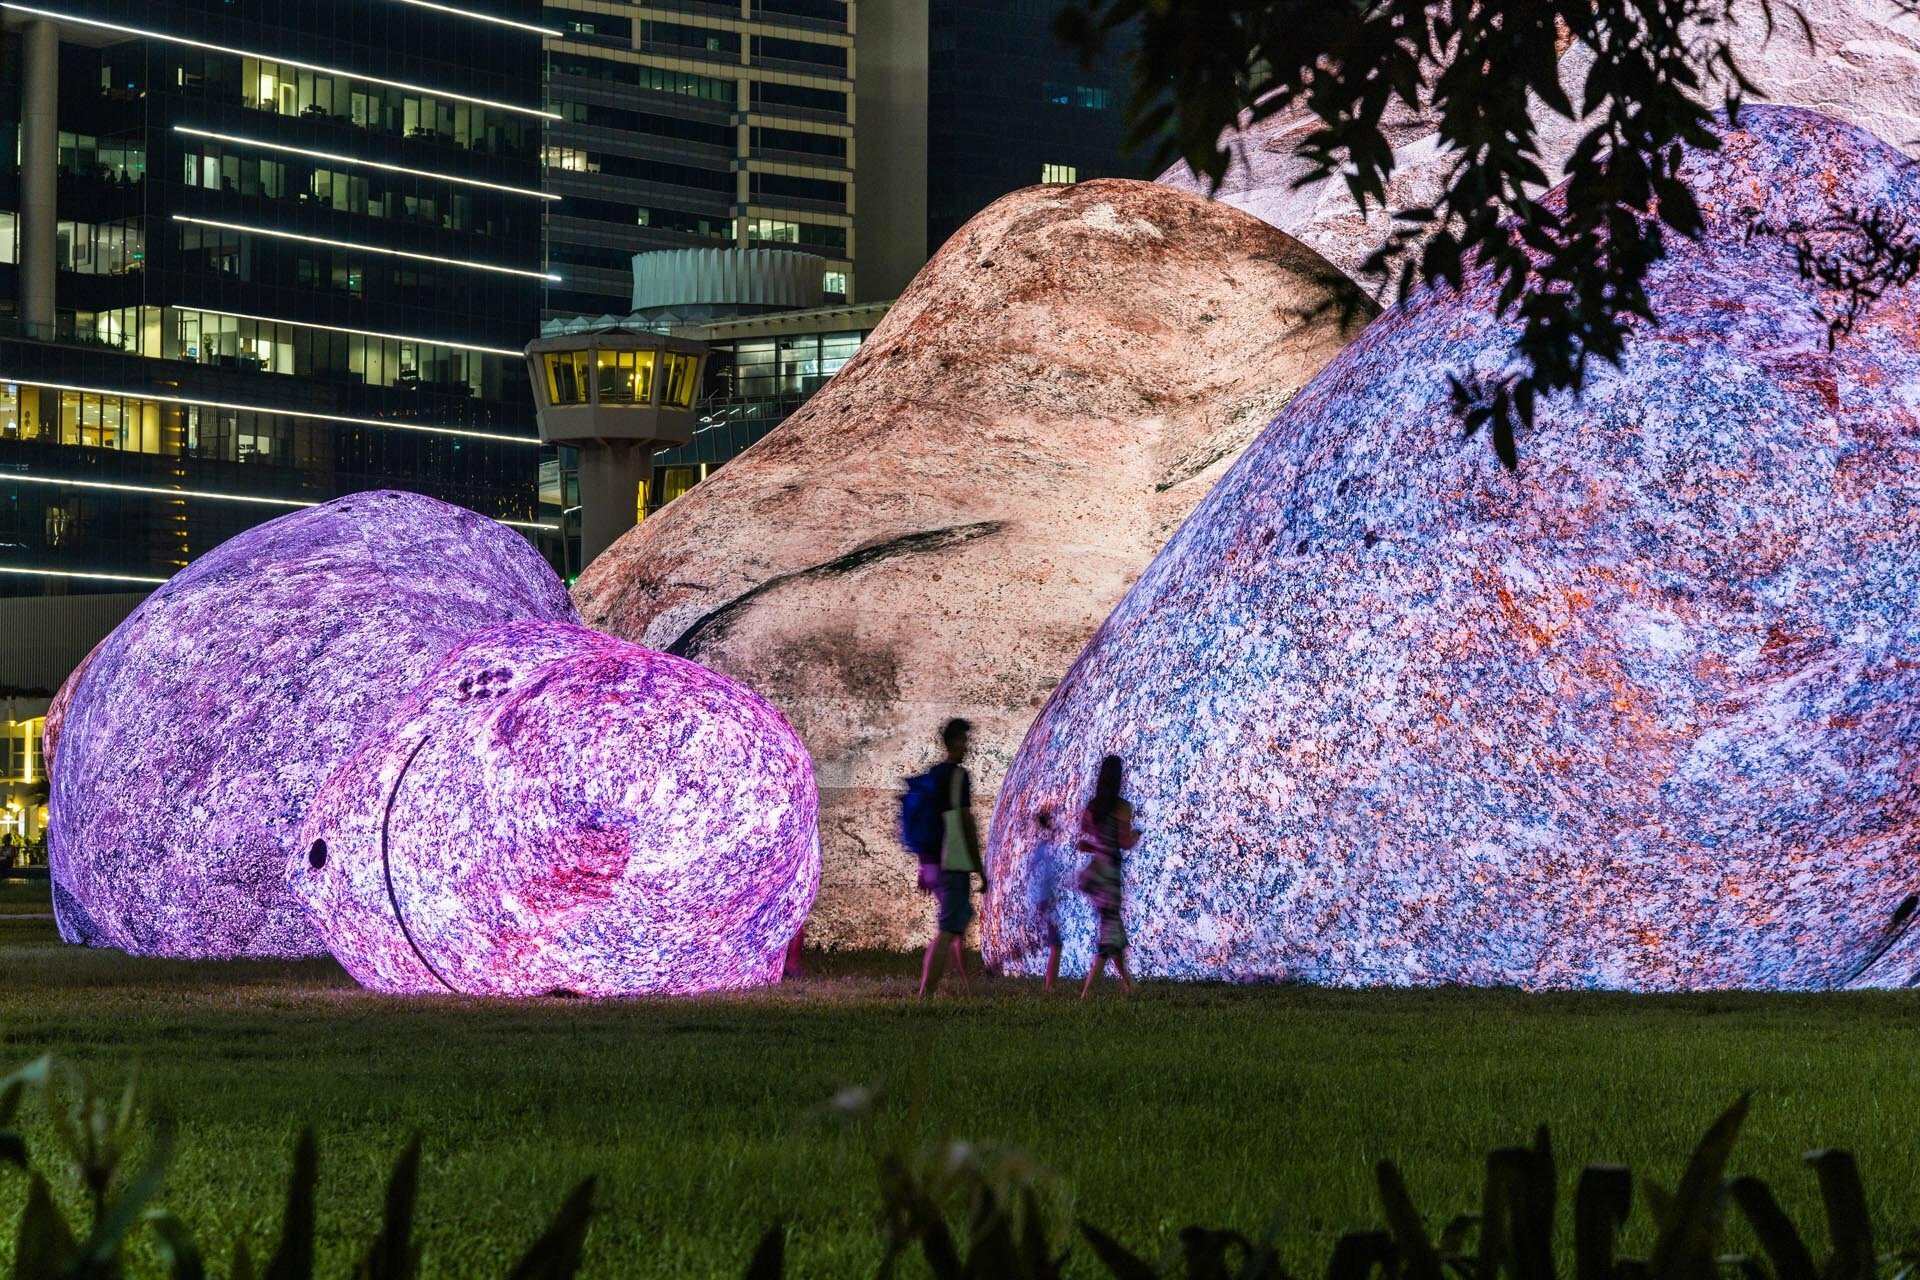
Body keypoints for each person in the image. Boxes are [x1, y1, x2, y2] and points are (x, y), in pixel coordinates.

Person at [918, 717, 987, 998]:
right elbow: (965, 824)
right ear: (954, 742)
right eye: (964, 740)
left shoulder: (933, 775)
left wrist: (923, 866)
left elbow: (925, 823)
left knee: (958, 923)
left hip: (934, 863)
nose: (967, 746)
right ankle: (926, 994)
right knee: (948, 931)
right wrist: (980, 869)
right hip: (953, 862)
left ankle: (968, 986)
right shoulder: (959, 776)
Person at [1078, 754, 1139, 998]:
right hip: (1111, 877)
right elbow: (1123, 843)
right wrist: (1134, 836)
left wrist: (1093, 846)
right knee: (1109, 935)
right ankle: (1087, 993)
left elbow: (1087, 836)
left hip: (1096, 876)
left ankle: (1127, 982)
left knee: (1114, 931)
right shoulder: (1123, 807)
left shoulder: (1093, 807)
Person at [1031, 809, 1064, 991]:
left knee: (1055, 944)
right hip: (1045, 902)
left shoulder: (1042, 848)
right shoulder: (1044, 848)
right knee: (1055, 945)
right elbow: (1042, 876)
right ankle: (1050, 985)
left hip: (1044, 901)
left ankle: (1051, 984)